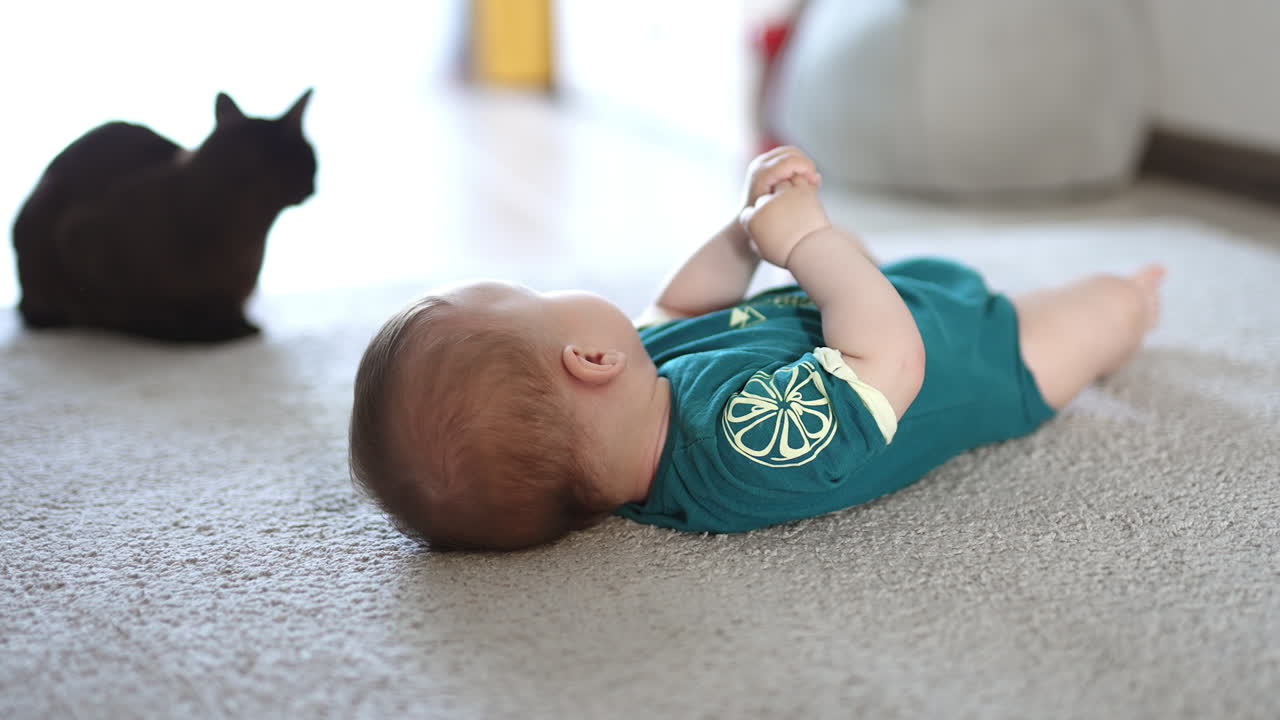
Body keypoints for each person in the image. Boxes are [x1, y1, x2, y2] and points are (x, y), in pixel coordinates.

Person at [348, 146, 1164, 551]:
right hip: (987, 364)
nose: (549, 289)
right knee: (1099, 311)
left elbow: (681, 302)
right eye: (533, 296)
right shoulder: (736, 450)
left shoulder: (638, 381)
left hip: (876, 300)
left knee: (869, 277)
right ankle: (1140, 298)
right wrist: (807, 242)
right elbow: (889, 365)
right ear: (586, 362)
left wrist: (744, 232)